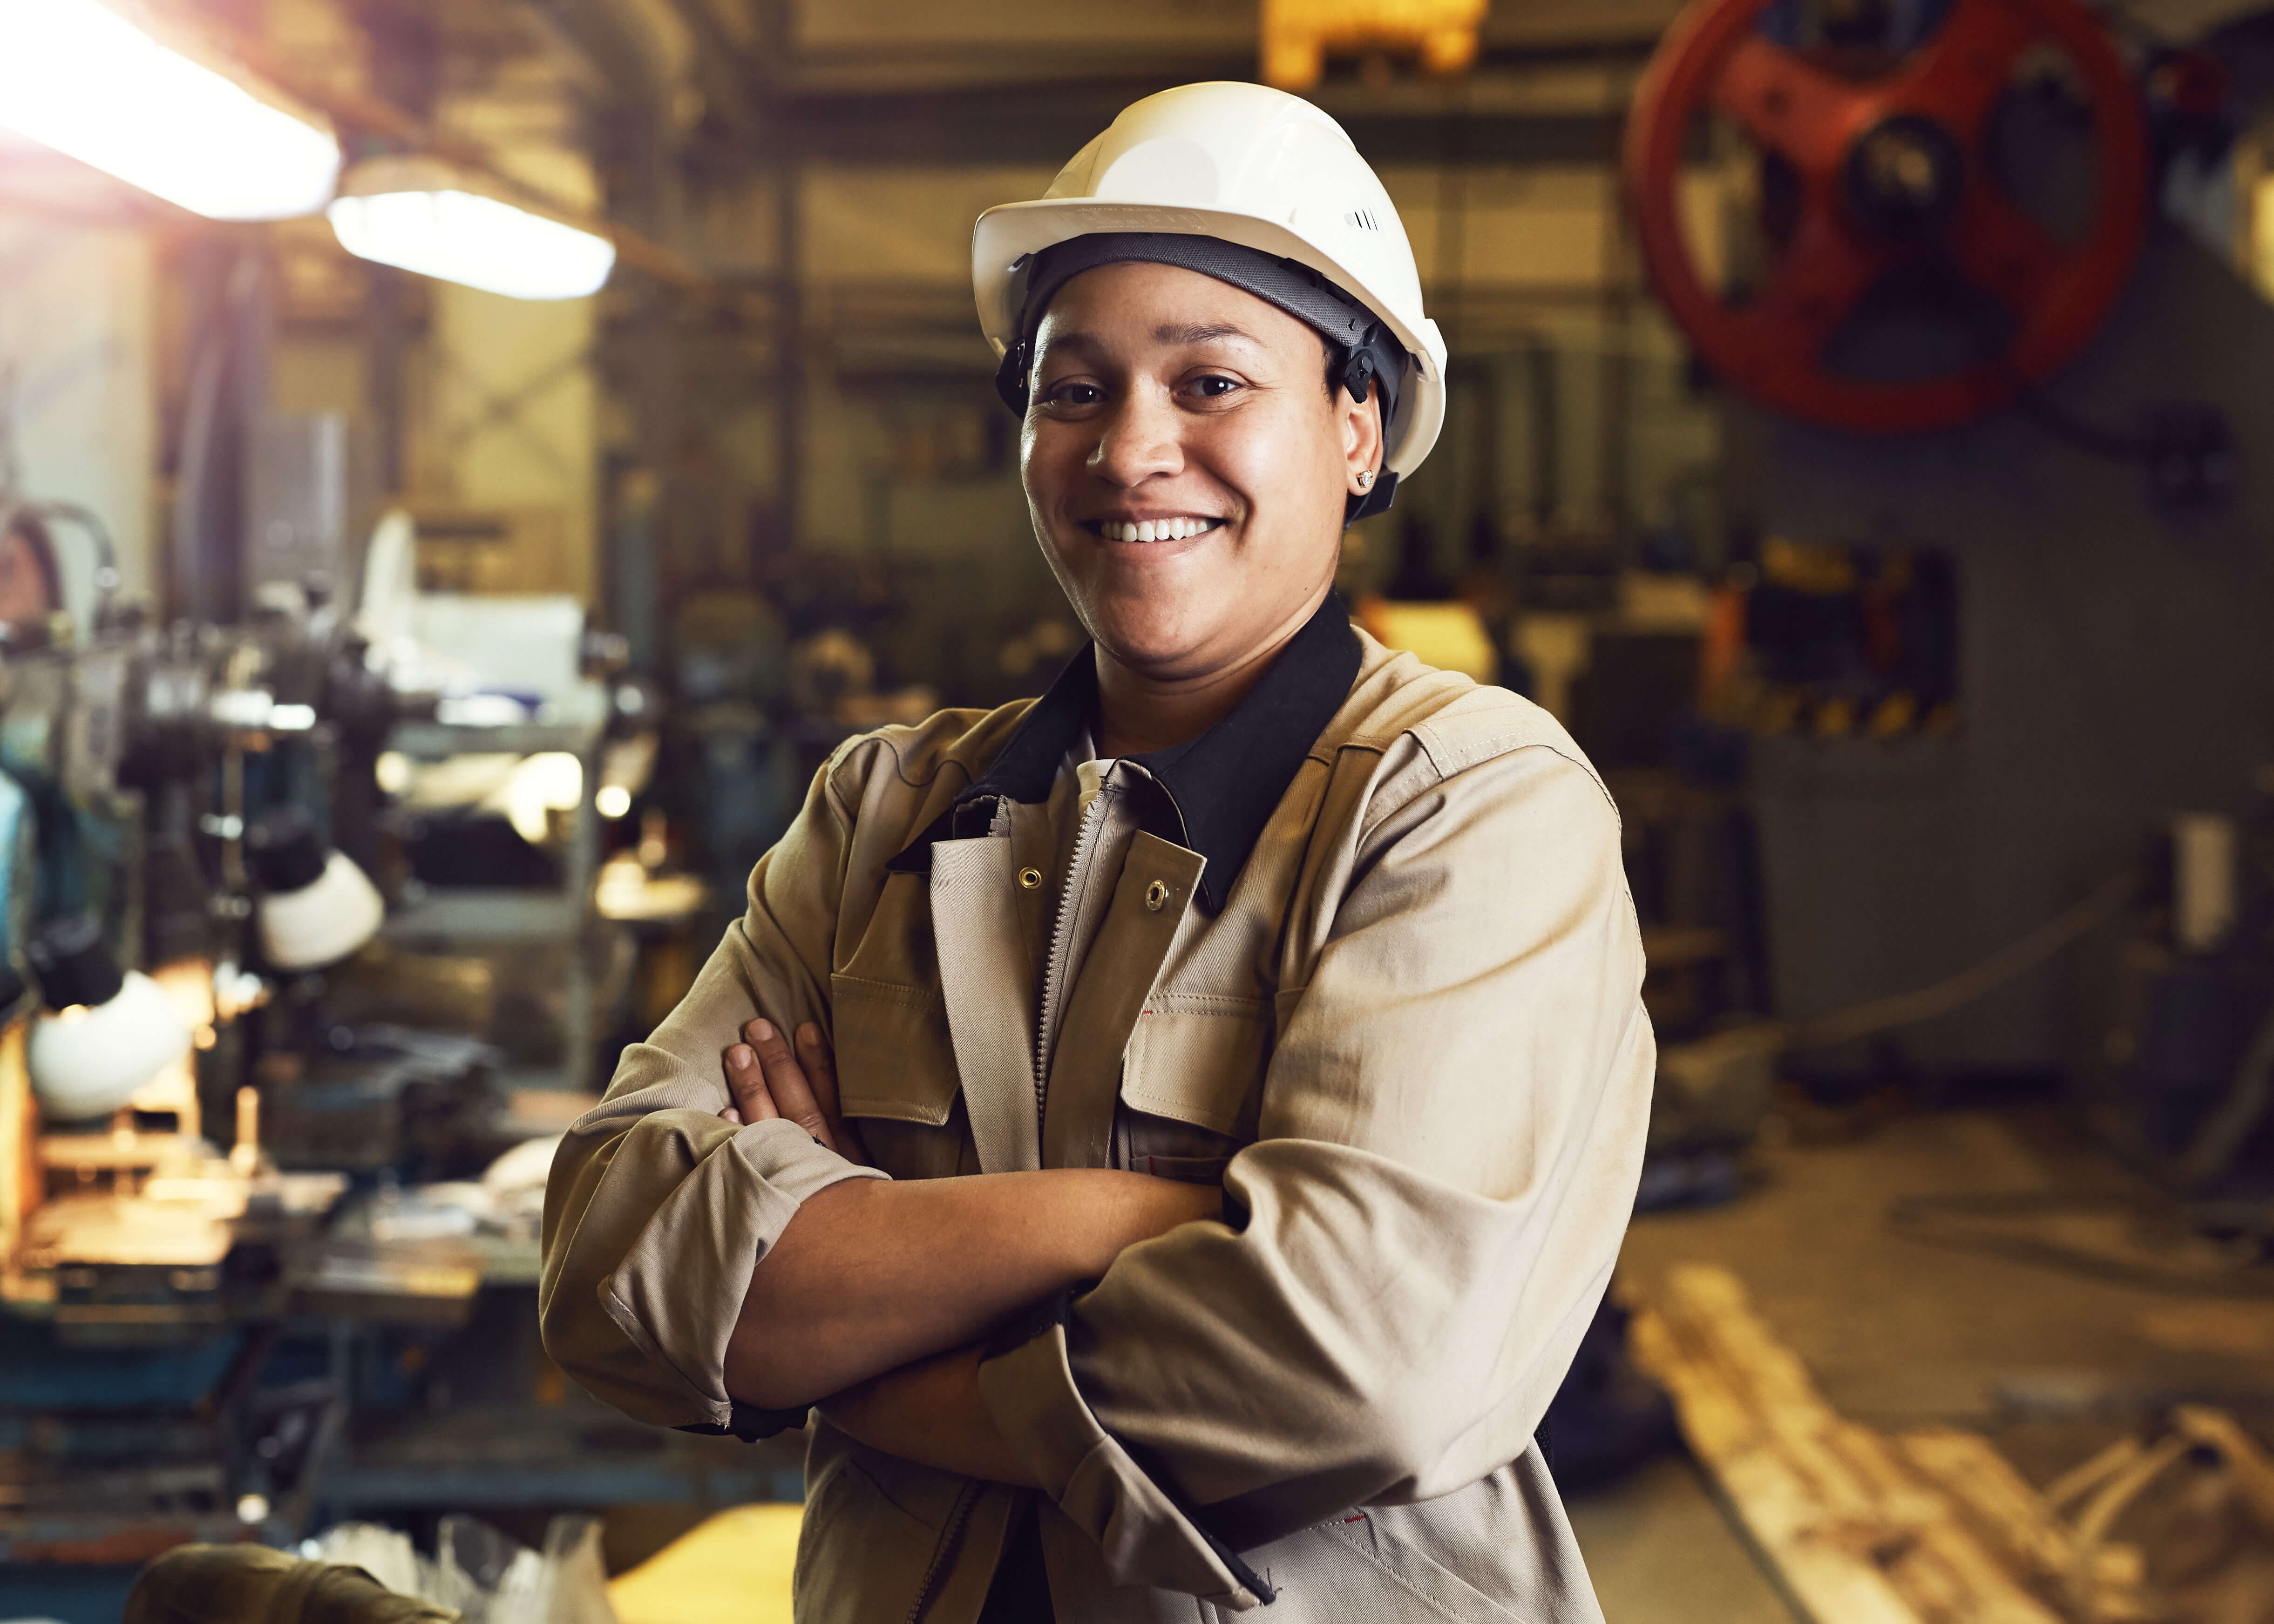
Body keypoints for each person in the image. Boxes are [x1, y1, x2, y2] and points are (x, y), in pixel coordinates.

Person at [542, 81, 1653, 1622]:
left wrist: (864, 1334)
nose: (1132, 450)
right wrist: (1123, 1216)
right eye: (1073, 389)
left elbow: (1358, 1368)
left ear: (1357, 427)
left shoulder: (1462, 805)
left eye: (1210, 383)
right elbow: (610, 1267)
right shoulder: (886, 811)